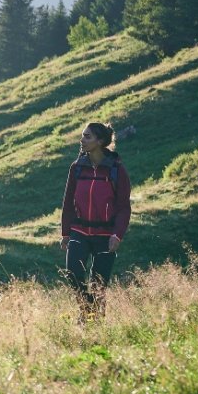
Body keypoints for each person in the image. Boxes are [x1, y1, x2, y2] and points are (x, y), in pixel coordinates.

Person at [60, 122, 132, 322]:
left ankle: (94, 326)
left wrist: (117, 234)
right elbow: (67, 203)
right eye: (82, 135)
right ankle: (87, 310)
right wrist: (66, 233)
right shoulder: (76, 168)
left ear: (100, 142)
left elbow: (124, 207)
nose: (82, 140)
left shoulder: (116, 170)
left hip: (105, 235)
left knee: (99, 285)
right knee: (73, 274)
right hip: (79, 230)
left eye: (87, 136)